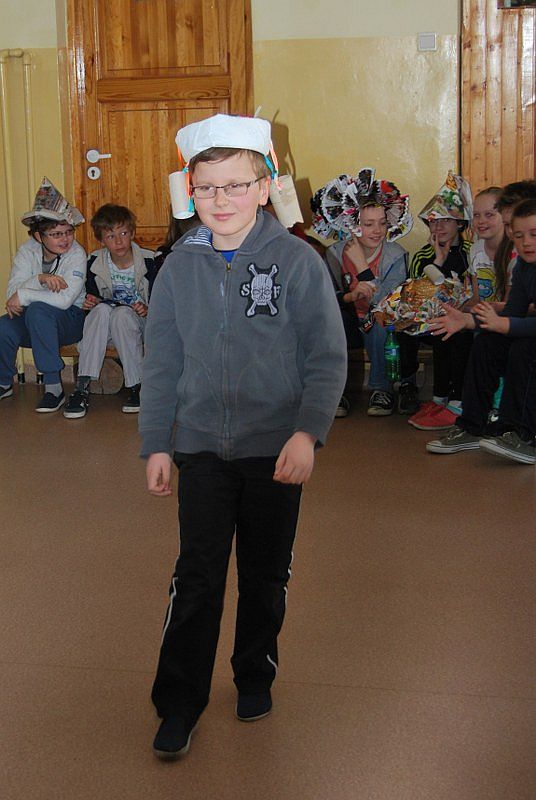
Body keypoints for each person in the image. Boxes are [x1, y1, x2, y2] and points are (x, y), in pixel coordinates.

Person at [139, 114, 347, 759]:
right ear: (189, 192)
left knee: (264, 573)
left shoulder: (298, 262)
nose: (220, 199)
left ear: (263, 188)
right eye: (206, 187)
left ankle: (254, 673)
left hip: (274, 447)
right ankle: (179, 702)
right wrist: (157, 442)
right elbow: (162, 361)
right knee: (197, 576)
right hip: (201, 445)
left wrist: (307, 433)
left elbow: (326, 356)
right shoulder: (178, 267)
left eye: (235, 185)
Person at [426, 197, 536, 464]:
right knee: (488, 341)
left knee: (525, 348)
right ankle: (473, 427)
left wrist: (505, 325)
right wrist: (467, 320)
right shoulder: (524, 266)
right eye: (519, 236)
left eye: (534, 234)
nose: (526, 242)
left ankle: (523, 435)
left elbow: (510, 323)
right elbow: (513, 313)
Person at [313, 169, 412, 416]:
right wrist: (350, 296)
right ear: (352, 225)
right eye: (368, 224)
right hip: (348, 321)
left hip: (379, 323)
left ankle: (381, 389)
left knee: (379, 320)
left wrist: (362, 268)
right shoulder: (334, 254)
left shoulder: (395, 255)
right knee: (330, 322)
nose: (377, 230)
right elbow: (324, 299)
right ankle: (336, 392)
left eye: (382, 223)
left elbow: (389, 302)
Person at [0, 177, 86, 412]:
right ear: (39, 236)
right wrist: (39, 279)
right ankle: (4, 382)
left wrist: (25, 295)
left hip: (70, 320)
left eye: (68, 232)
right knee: (4, 325)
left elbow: (64, 300)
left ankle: (53, 388)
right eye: (56, 234)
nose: (65, 239)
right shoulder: (26, 251)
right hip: (36, 321)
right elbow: (12, 295)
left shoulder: (76, 254)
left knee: (38, 311)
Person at [398, 172, 476, 426]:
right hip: (428, 319)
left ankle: (455, 399)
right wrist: (438, 260)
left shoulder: (470, 253)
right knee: (405, 329)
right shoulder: (423, 256)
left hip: (460, 320)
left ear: (460, 224)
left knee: (454, 330)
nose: (438, 227)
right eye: (433, 221)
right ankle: (425, 392)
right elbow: (417, 295)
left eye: (446, 221)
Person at [63, 204, 156, 417]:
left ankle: (137, 386)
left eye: (123, 233)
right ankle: (82, 387)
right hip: (104, 330)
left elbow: (164, 303)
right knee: (101, 310)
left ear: (132, 233)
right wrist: (88, 303)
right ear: (102, 240)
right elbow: (85, 298)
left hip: (139, 327)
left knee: (122, 314)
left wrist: (148, 309)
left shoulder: (150, 261)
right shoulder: (94, 262)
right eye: (111, 236)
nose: (119, 241)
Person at [468, 187, 505, 303]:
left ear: (505, 215)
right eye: (476, 215)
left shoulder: (516, 252)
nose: (481, 221)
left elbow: (511, 308)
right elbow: (476, 299)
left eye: (489, 214)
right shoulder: (475, 250)